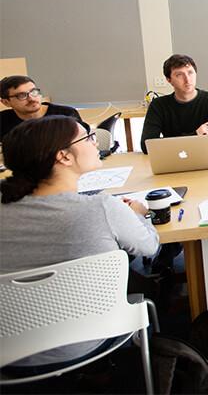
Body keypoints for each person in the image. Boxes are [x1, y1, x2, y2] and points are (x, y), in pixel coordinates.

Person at [0, 116, 159, 369]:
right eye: (87, 137)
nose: (95, 143)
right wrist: (141, 214)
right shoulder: (101, 208)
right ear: (63, 156)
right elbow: (150, 247)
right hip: (89, 341)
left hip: (7, 351)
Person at [139, 54, 208, 154]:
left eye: (190, 73)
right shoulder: (158, 105)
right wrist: (196, 134)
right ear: (169, 80)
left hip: (203, 155)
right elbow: (147, 146)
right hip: (172, 158)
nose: (187, 79)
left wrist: (169, 142)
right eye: (179, 75)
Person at [0, 75, 88, 143]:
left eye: (34, 92)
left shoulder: (65, 114)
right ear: (6, 102)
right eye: (22, 95)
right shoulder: (2, 120)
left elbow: (83, 142)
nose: (32, 98)